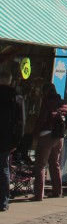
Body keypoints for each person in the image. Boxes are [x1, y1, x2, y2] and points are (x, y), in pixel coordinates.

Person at [32, 82, 67, 201]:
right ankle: (57, 191)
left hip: (46, 134)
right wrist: (62, 129)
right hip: (59, 136)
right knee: (55, 164)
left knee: (40, 165)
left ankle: (38, 194)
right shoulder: (63, 102)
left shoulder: (46, 102)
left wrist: (35, 133)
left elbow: (42, 119)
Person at [0, 69, 25, 212]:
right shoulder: (17, 97)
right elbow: (21, 122)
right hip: (6, 138)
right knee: (4, 170)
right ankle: (3, 201)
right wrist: (17, 141)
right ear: (9, 81)